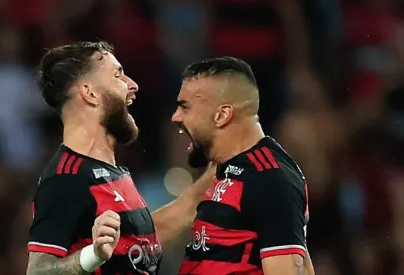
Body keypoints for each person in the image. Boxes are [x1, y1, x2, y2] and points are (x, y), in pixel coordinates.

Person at [26, 41, 214, 275]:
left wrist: (224, 161)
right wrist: (92, 256)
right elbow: (38, 271)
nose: (132, 85)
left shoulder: (110, 173)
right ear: (90, 93)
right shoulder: (67, 178)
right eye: (118, 75)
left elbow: (143, 242)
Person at [171, 57, 315, 275]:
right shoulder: (228, 169)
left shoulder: (270, 177)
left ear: (222, 115)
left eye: (185, 107)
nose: (176, 117)